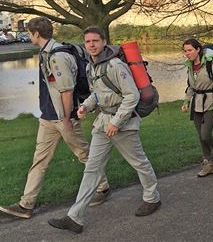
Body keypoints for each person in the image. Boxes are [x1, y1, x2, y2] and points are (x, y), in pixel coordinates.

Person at [48, 26, 160, 234]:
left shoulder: (116, 65)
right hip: (102, 124)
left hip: (123, 124)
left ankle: (152, 198)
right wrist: (85, 106)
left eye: (95, 41)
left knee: (139, 162)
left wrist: (116, 122)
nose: (91, 45)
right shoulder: (92, 66)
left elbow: (132, 96)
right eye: (88, 41)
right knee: (92, 168)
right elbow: (98, 94)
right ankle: (75, 217)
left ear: (104, 42)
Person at [0, 17, 110, 220]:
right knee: (39, 160)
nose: (29, 36)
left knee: (83, 154)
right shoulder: (47, 52)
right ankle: (26, 204)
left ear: (36, 34)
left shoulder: (58, 56)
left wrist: (67, 119)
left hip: (63, 118)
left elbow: (67, 90)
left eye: (30, 33)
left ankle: (102, 188)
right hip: (48, 118)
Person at [181, 39, 213, 177]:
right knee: (201, 137)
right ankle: (208, 164)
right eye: (185, 51)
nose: (187, 53)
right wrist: (186, 102)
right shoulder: (189, 66)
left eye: (190, 50)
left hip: (211, 103)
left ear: (198, 49)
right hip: (196, 104)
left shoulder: (211, 65)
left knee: (205, 134)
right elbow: (191, 86)